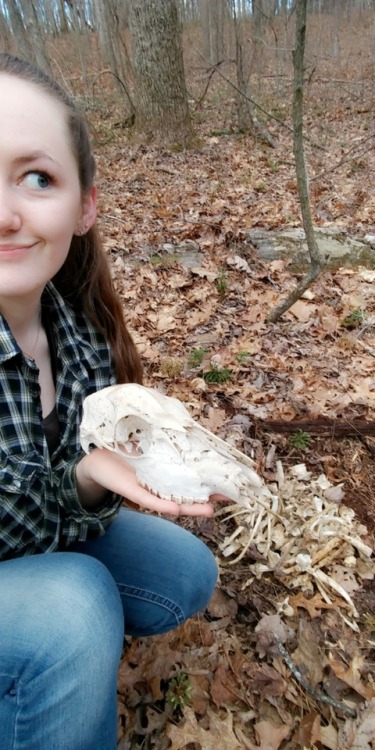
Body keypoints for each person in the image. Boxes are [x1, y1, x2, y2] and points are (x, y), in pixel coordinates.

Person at [0, 52, 220, 750]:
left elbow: (69, 506)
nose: (5, 215)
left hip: (30, 548)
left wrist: (96, 476)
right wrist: (83, 484)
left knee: (184, 572)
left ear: (84, 205)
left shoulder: (81, 335)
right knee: (74, 606)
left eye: (37, 178)